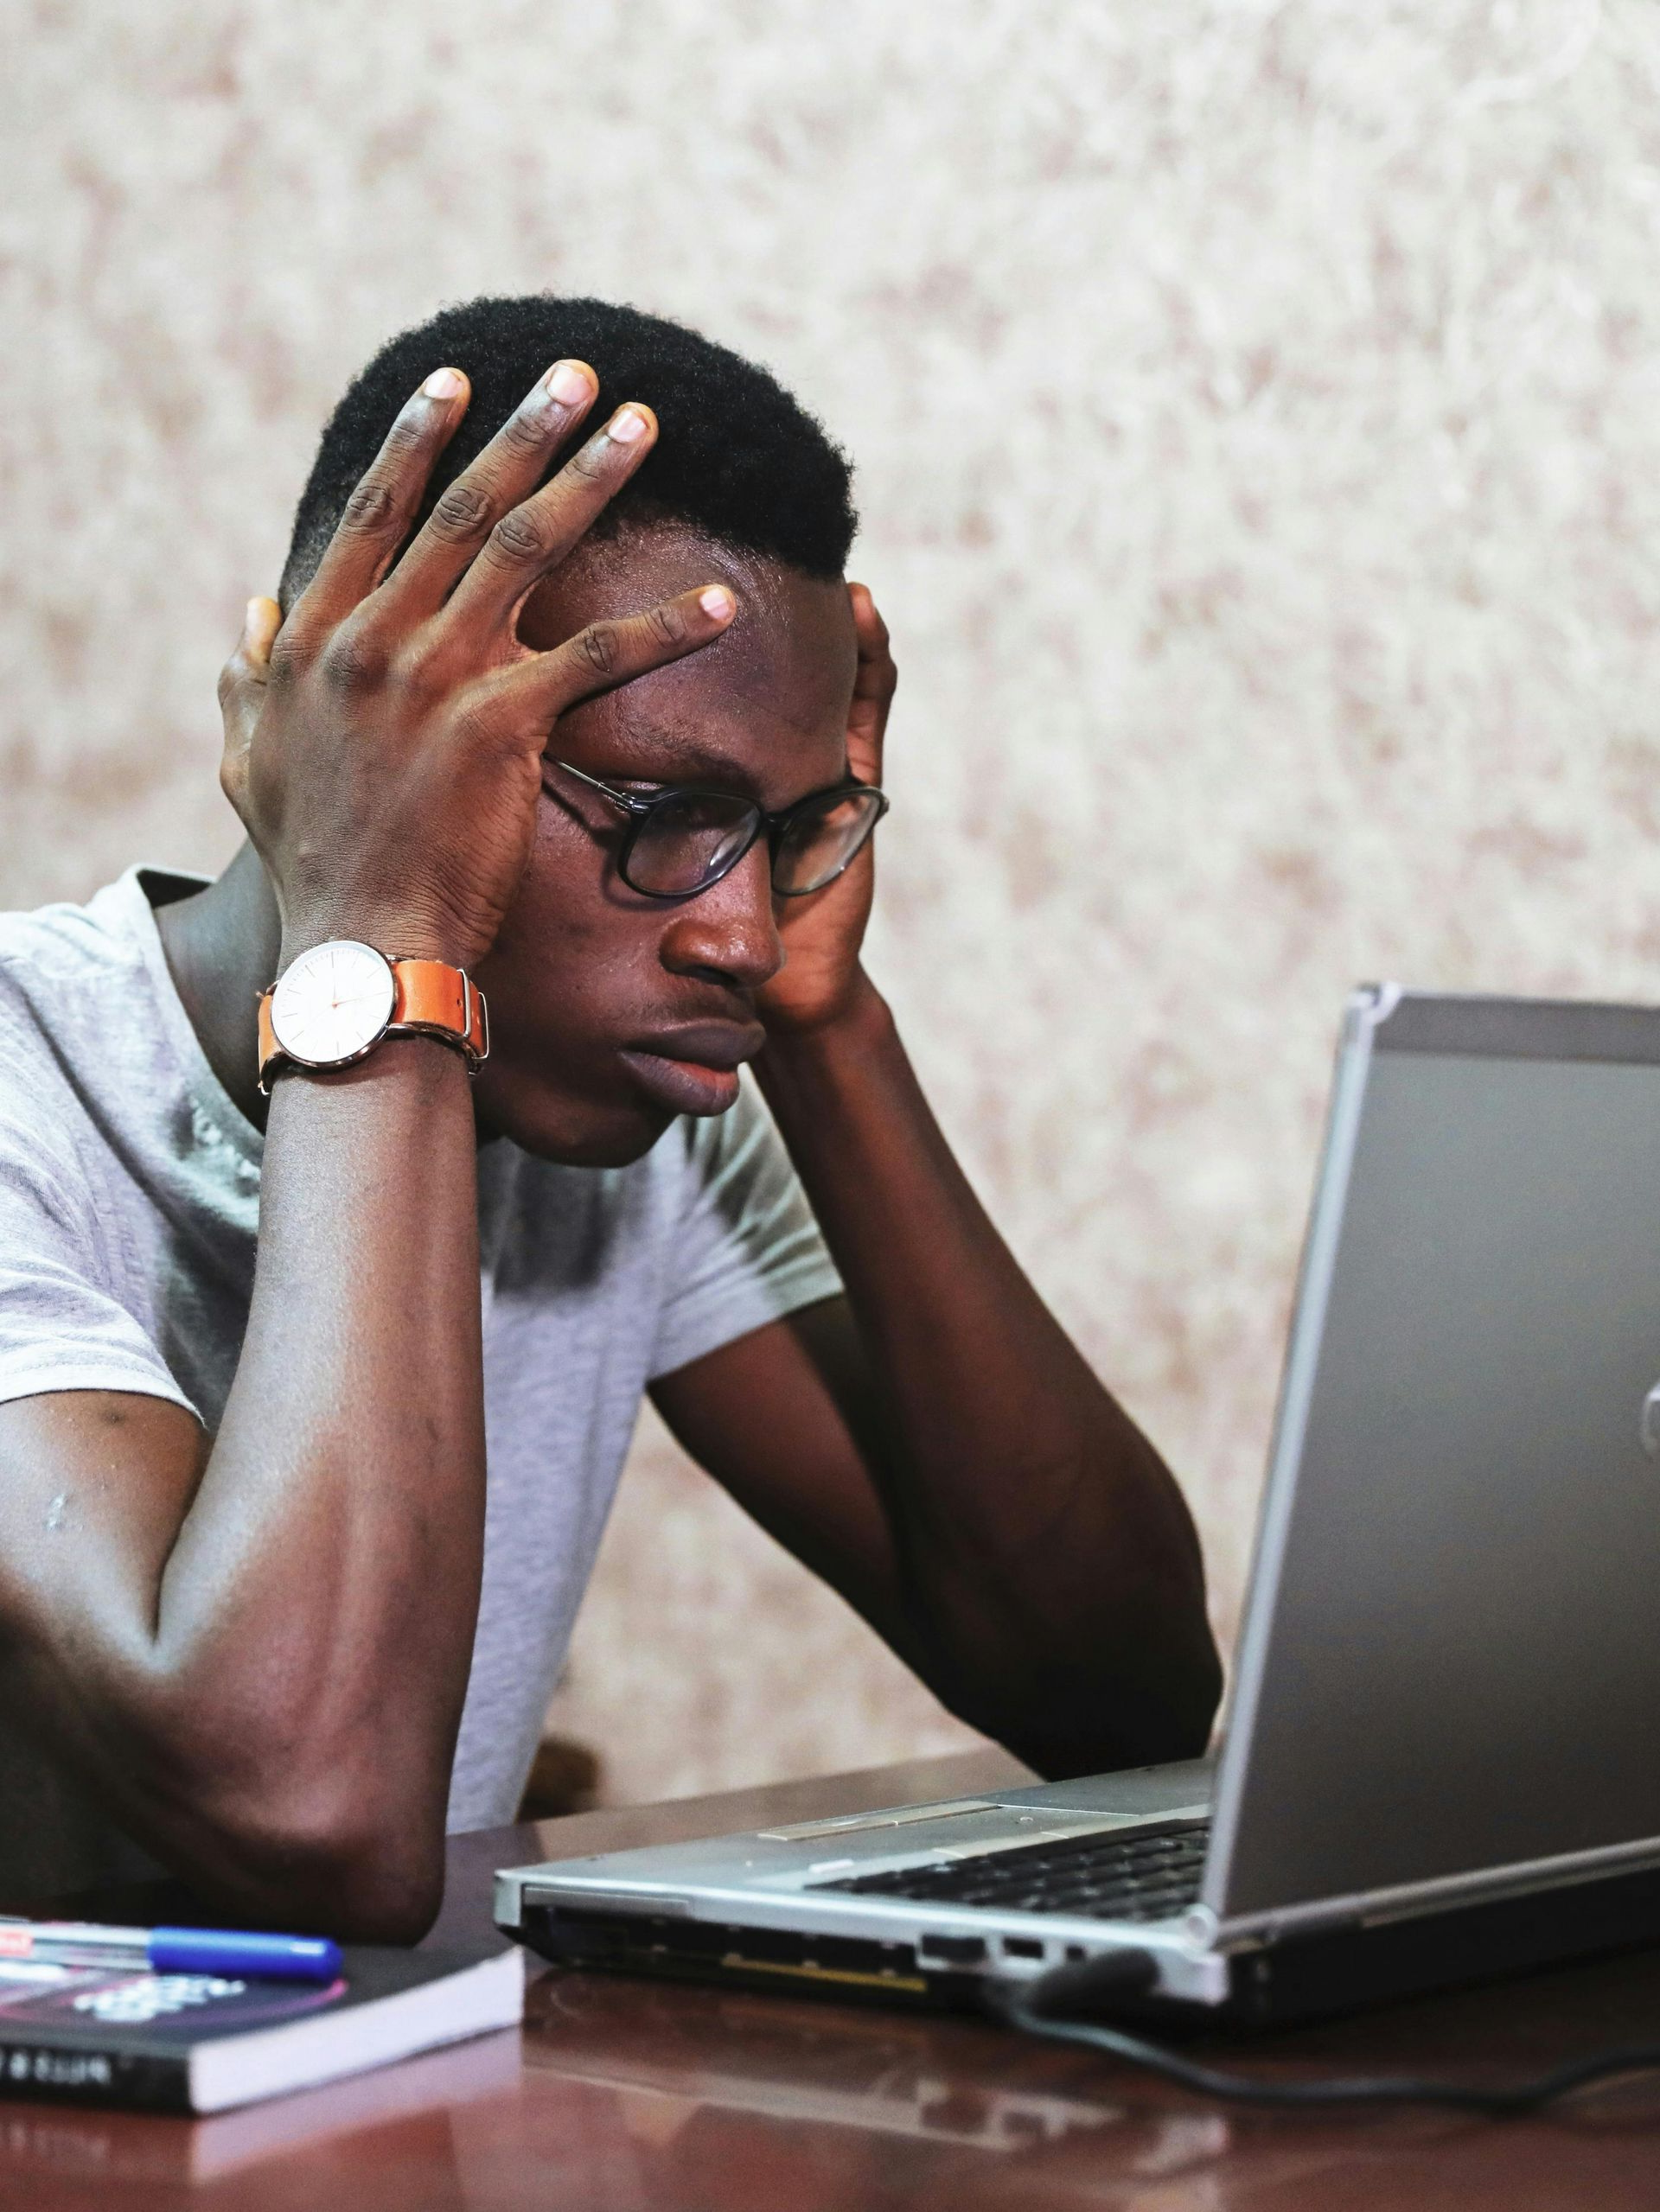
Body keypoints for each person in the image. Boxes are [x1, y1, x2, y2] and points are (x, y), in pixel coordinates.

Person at [0, 296, 1220, 1936]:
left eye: (789, 832)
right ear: (358, 728)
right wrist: (384, 941)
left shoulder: (639, 1105)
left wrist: (828, 1020)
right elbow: (317, 1810)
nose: (736, 928)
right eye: (664, 816)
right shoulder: (31, 1080)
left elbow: (1119, 1700)